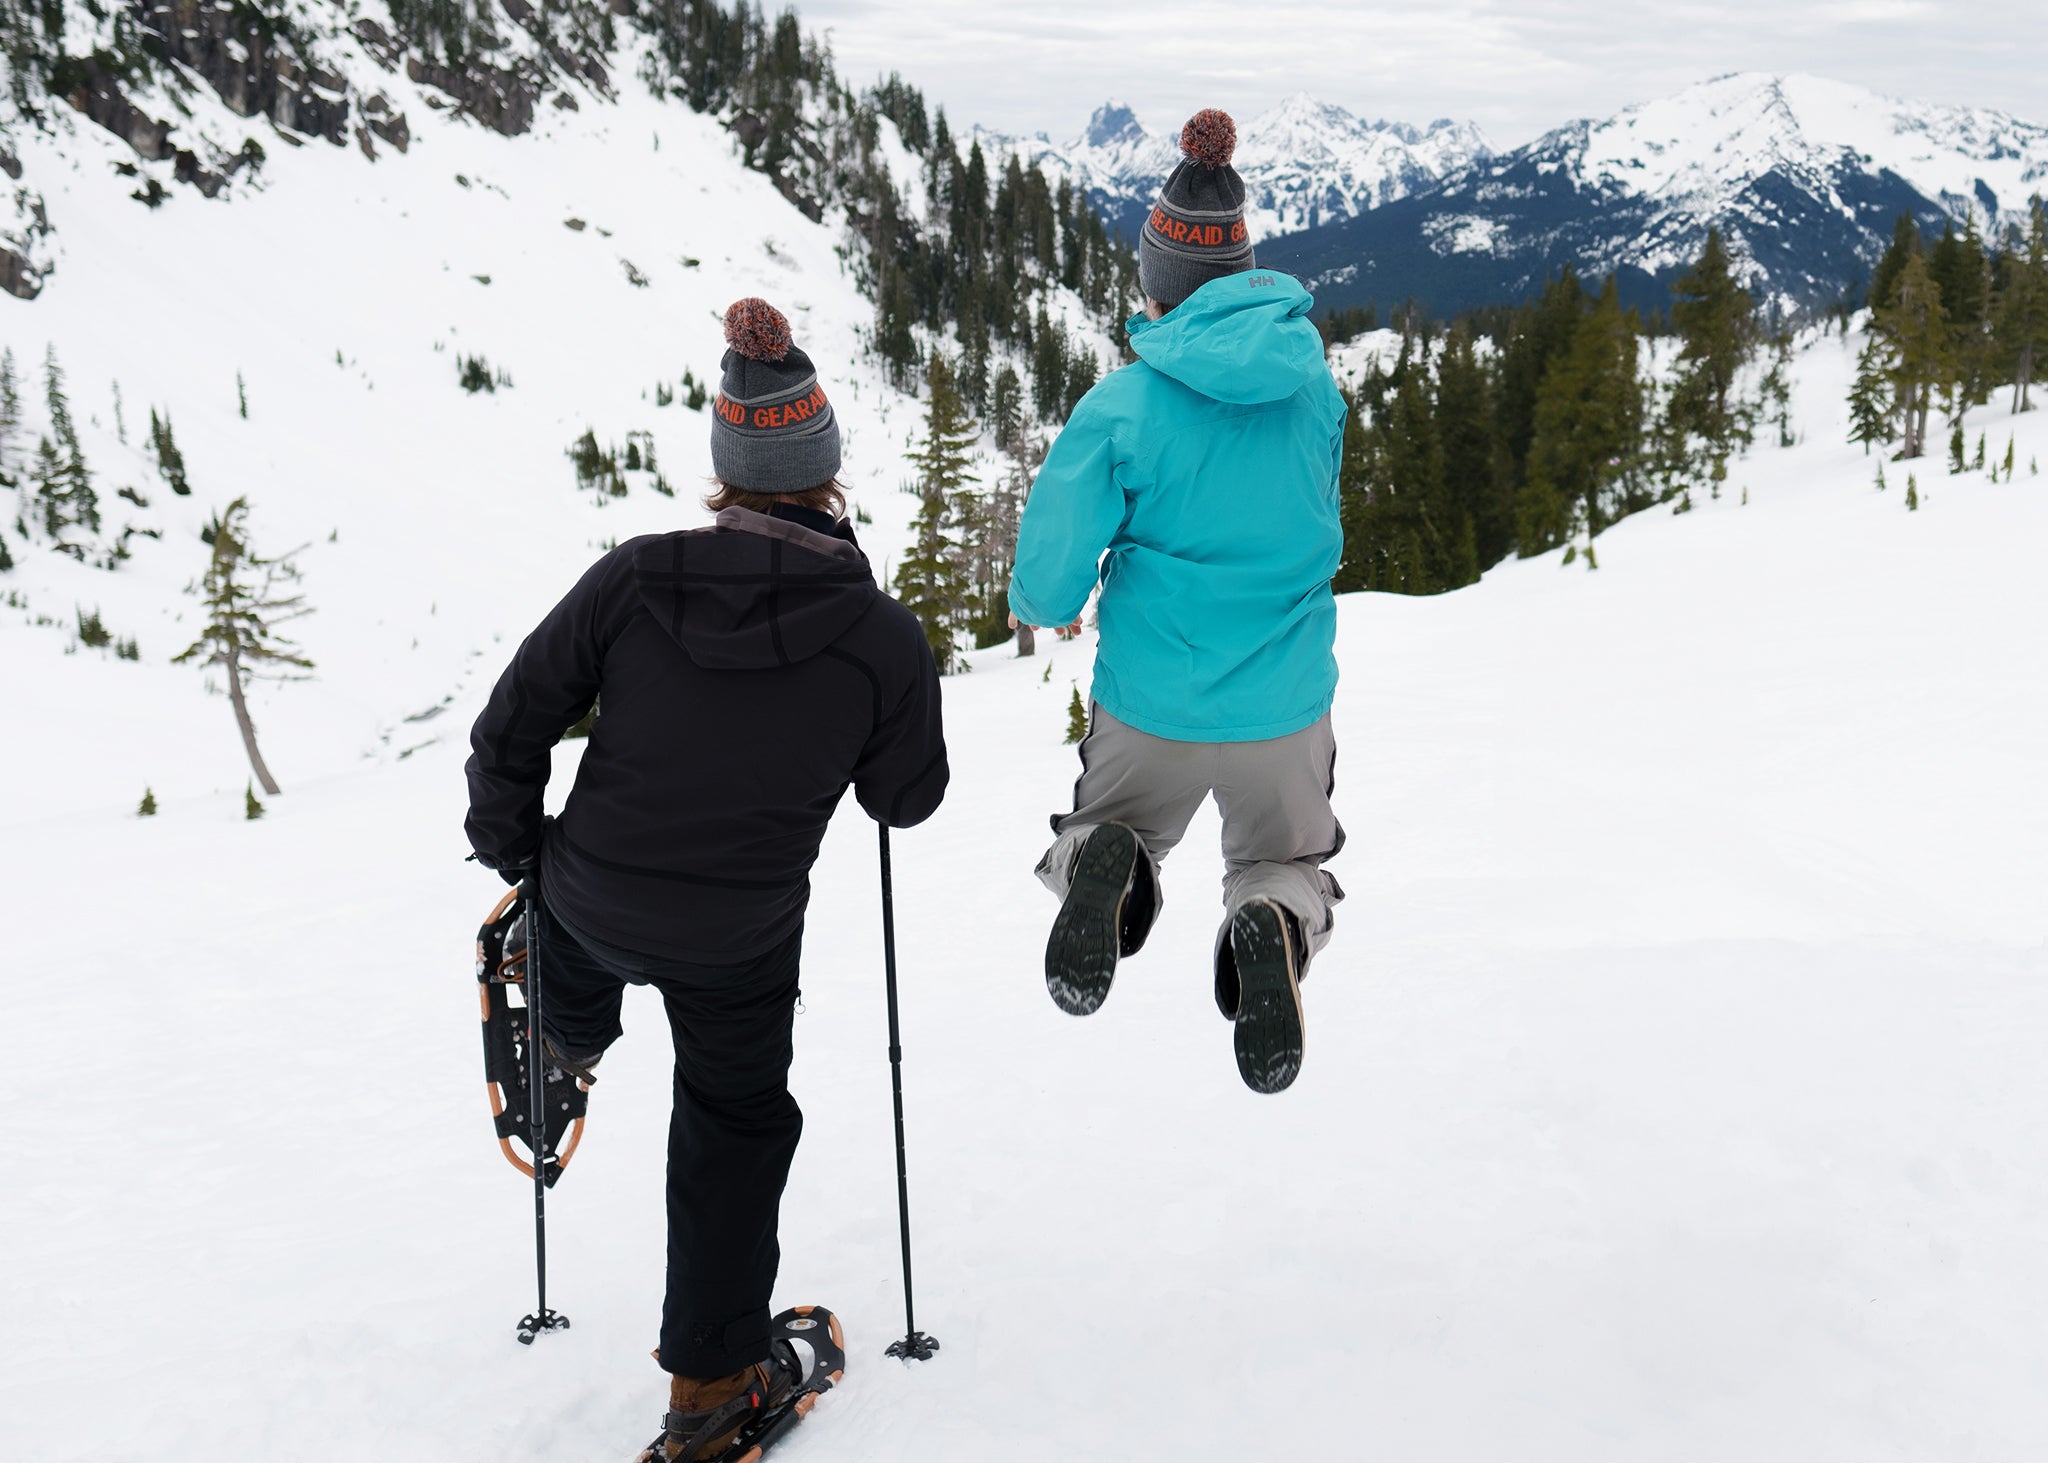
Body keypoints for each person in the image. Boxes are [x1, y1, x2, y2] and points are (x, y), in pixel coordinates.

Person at [464, 299, 948, 1461]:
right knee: (731, 1122)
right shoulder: (878, 635)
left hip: (589, 889)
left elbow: (514, 719)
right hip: (738, 935)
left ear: (725, 469)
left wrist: (516, 854)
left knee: (577, 939)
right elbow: (905, 798)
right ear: (825, 470)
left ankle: (566, 1027)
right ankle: (710, 1390)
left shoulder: (633, 579)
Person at [1008, 108, 1346, 1096]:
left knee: (1108, 822)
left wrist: (1048, 600)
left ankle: (1108, 862)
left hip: (1150, 696)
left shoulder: (1120, 404)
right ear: (1240, 272)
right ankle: (1272, 920)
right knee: (1284, 856)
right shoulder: (1314, 390)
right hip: (1284, 701)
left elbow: (1046, 581)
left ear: (1155, 283)